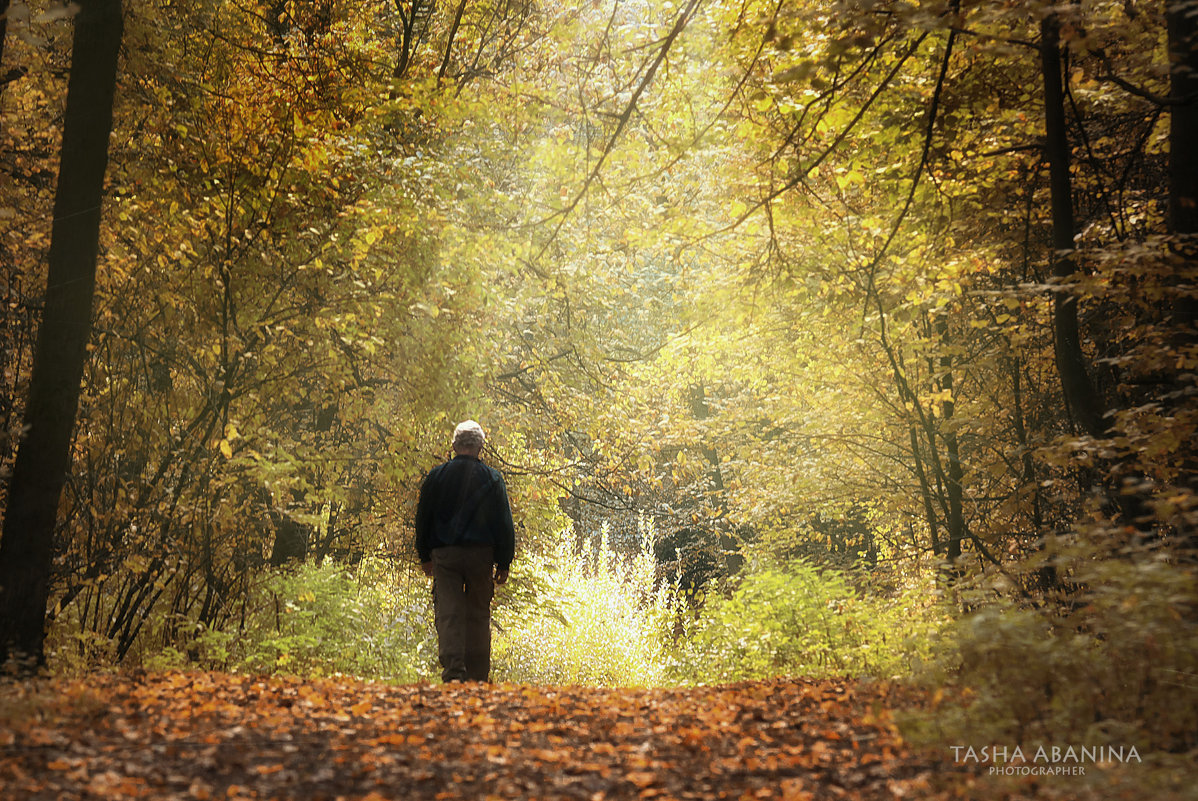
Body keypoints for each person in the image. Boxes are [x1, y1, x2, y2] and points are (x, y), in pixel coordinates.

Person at [414, 420, 515, 682]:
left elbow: (423, 517)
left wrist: (424, 555)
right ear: (481, 446)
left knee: (448, 612)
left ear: (454, 445)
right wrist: (504, 562)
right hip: (481, 555)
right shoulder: (493, 478)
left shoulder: (436, 477)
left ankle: (454, 674)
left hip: (444, 555)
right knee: (479, 614)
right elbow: (504, 522)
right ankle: (478, 676)